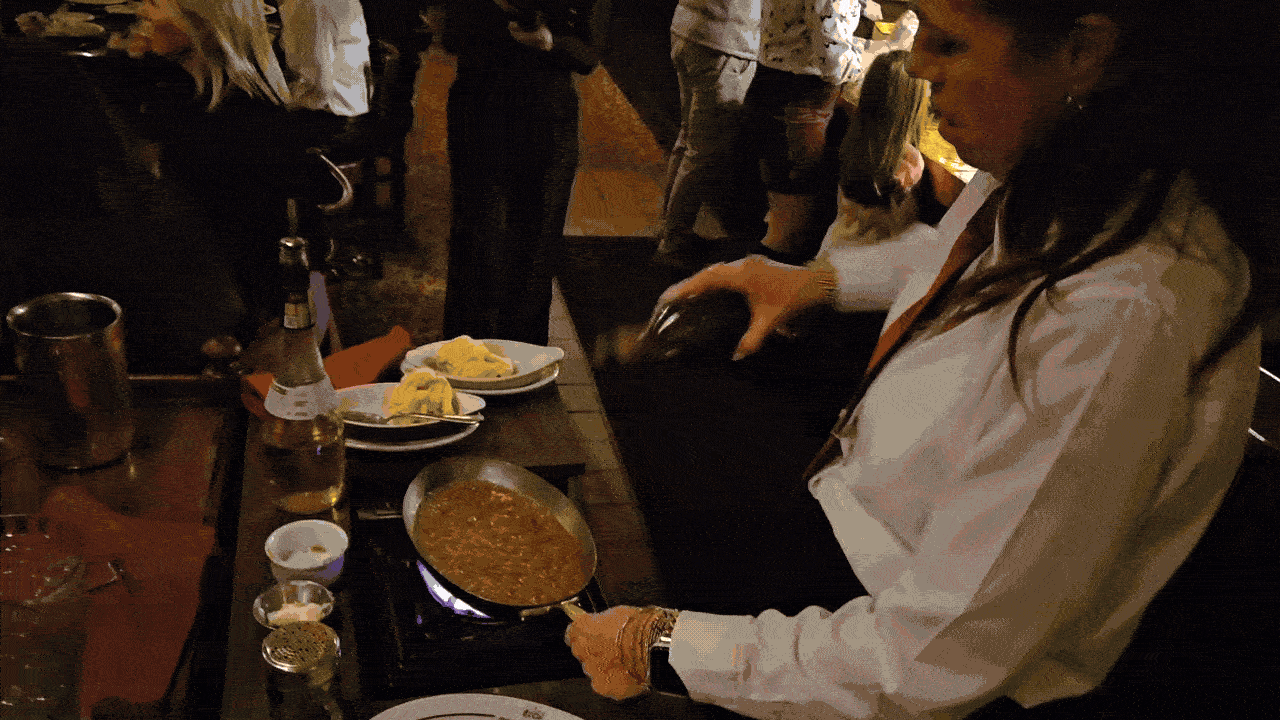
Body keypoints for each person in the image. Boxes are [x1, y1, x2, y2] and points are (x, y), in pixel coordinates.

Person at [564, 0, 1280, 717]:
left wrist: (665, 646)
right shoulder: (1057, 167)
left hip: (893, 648)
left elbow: (934, 655)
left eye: (949, 42)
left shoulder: (1124, 312)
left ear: (1083, 51)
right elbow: (962, 267)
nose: (917, 65)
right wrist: (821, 281)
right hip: (851, 546)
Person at [109, 0, 372, 321]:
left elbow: (219, 246)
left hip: (241, 299)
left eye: (154, 3)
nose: (141, 11)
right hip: (234, 278)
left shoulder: (225, 126)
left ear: (203, 23)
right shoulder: (214, 89)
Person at [438, 0, 600, 347]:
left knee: (538, 243)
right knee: (477, 239)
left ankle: (526, 355)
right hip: (480, 111)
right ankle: (466, 353)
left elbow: (588, 56)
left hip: (547, 119)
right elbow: (451, 37)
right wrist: (497, 19)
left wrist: (549, 41)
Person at [737, 0, 869, 265]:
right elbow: (833, 59)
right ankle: (757, 279)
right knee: (790, 232)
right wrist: (879, 53)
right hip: (801, 95)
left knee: (780, 217)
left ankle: (756, 272)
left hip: (774, 81)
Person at [651, 0, 763, 268]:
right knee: (705, 151)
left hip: (692, 27)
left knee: (690, 139)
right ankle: (673, 241)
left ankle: (670, 228)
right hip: (725, 39)